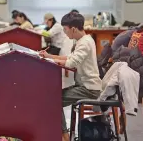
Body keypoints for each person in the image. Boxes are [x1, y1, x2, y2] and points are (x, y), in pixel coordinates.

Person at [39, 12, 102, 141]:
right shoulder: (84, 40)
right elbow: (70, 58)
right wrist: (49, 57)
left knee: (54, 100)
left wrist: (50, 61)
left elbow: (71, 63)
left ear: (73, 29)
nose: (64, 32)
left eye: (65, 29)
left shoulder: (84, 43)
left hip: (89, 89)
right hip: (85, 86)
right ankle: (63, 134)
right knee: (54, 98)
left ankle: (64, 136)